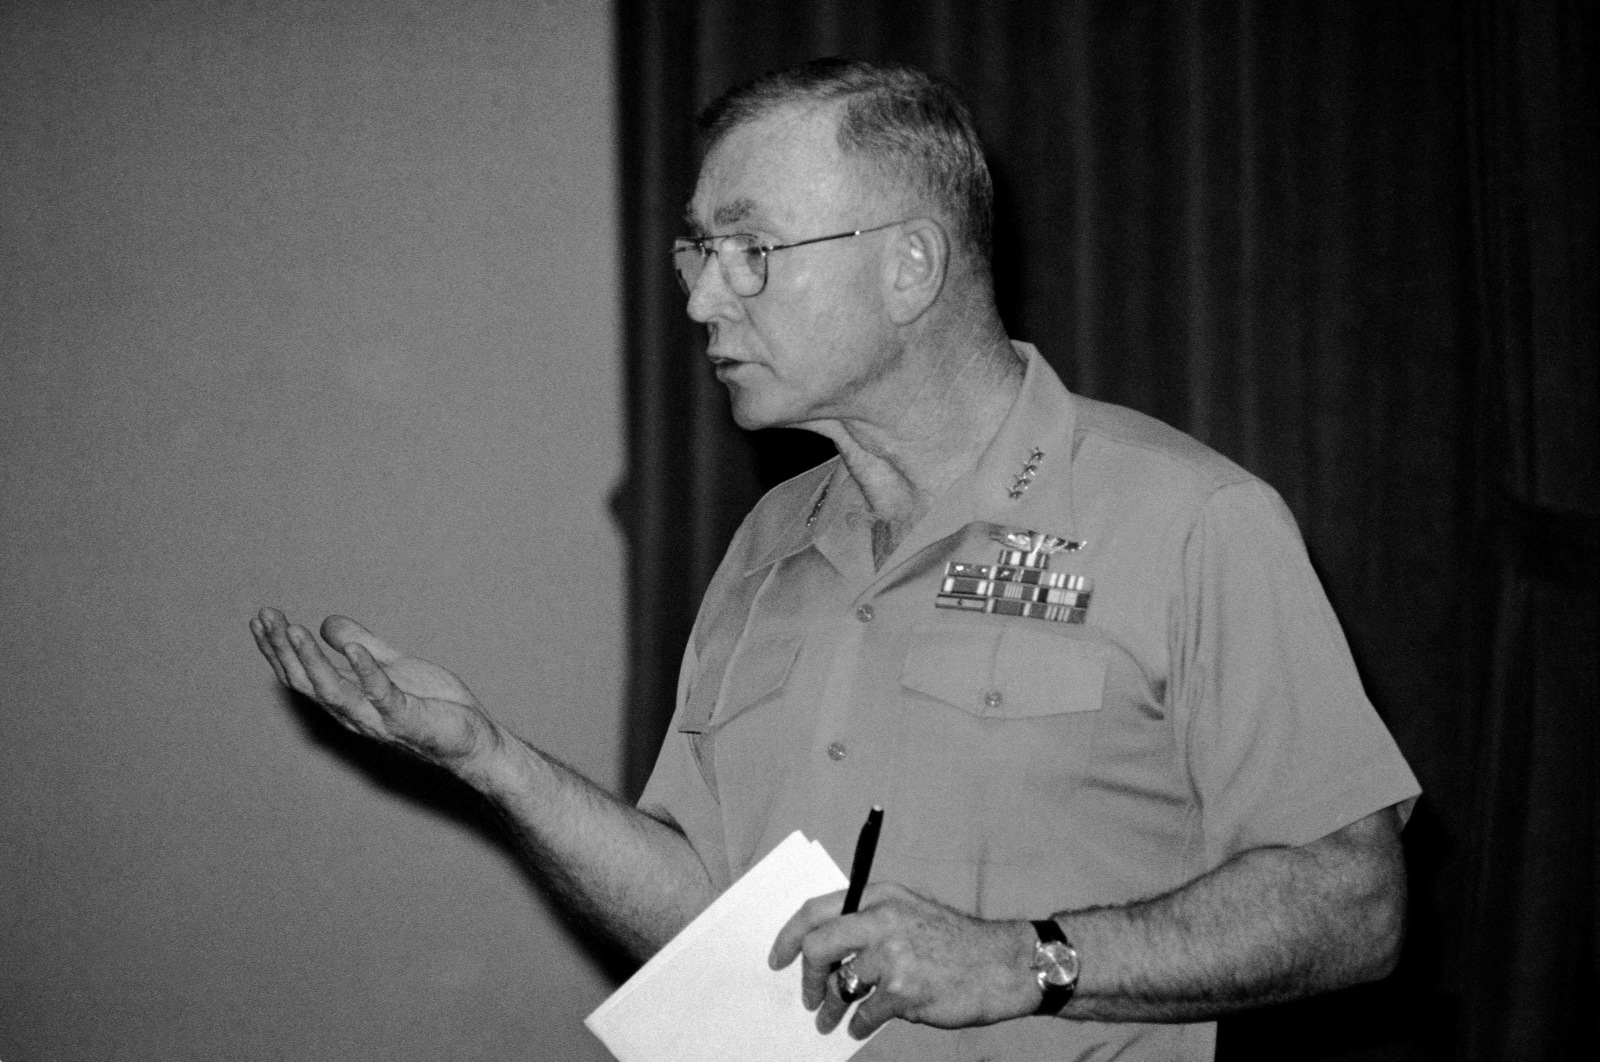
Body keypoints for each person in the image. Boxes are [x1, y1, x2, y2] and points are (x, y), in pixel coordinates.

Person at [252, 57, 1420, 1061]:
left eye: (751, 248)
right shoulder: (767, 545)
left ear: (910, 266)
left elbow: (1352, 901)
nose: (707, 297)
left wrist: (1031, 962)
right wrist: (491, 761)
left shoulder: (1188, 520)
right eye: (697, 252)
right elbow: (718, 928)